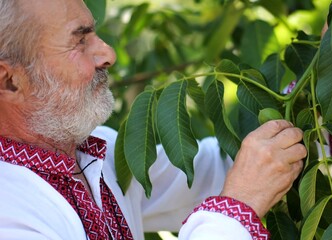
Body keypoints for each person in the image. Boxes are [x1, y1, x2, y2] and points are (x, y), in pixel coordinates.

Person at [0, 0, 306, 239]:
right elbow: (239, 188)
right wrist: (239, 205)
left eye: (94, 34)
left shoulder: (96, 150)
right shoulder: (8, 214)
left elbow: (208, 174)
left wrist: (309, 98)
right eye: (79, 42)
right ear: (9, 81)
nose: (108, 53)